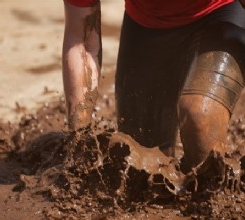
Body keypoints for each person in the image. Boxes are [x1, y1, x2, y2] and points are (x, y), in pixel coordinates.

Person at [62, 0, 245, 171]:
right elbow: (82, 41)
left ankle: (214, 200)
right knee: (139, 166)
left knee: (200, 121)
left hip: (219, 14)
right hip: (146, 24)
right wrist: (79, 137)